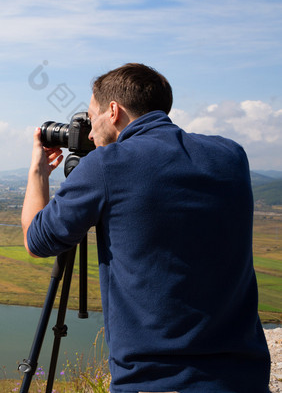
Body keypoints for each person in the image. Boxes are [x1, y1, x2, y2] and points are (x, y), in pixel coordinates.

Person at [22, 63, 271, 392]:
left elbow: (36, 240)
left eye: (91, 116)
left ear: (113, 111)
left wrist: (38, 172)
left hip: (155, 381)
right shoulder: (231, 156)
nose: (90, 131)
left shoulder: (107, 165)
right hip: (244, 378)